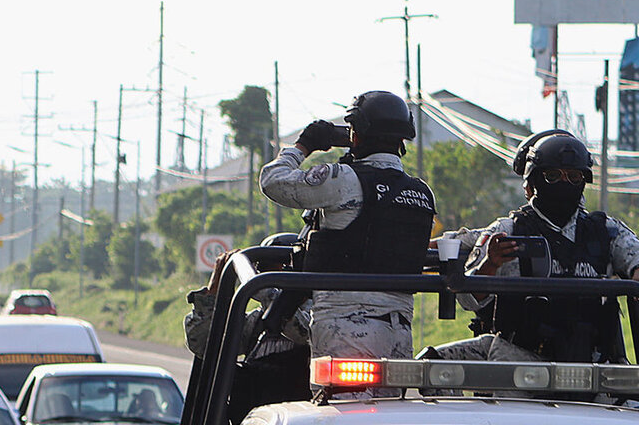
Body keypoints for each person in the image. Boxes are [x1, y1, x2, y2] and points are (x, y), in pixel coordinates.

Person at [424, 129, 639, 365]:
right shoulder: (507, 230)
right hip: (519, 366)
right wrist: (490, 264)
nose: (564, 182)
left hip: (594, 366)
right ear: (534, 180)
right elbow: (468, 300)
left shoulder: (606, 230)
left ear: (583, 181)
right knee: (431, 364)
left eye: (574, 177)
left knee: (627, 400)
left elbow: (635, 260)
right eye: (553, 176)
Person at [259, 90, 436, 362]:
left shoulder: (342, 179)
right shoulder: (422, 193)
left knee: (341, 406)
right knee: (391, 406)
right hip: (399, 330)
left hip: (344, 326)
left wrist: (303, 146)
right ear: (402, 138)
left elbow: (273, 180)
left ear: (357, 133)